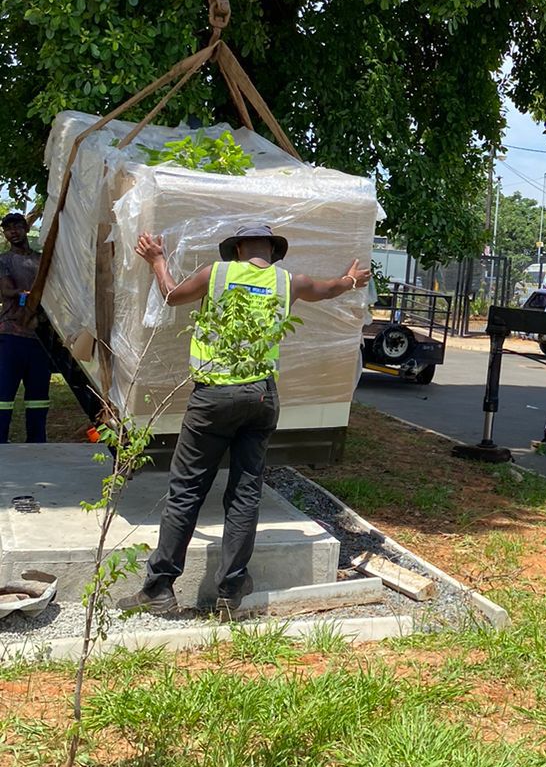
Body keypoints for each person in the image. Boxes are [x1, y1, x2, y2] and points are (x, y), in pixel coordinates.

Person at [119, 221, 369, 617]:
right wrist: (352, 280)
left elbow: (170, 295)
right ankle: (231, 592)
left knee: (187, 491)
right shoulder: (290, 282)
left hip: (213, 397)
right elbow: (329, 289)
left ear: (237, 249)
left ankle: (160, 588)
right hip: (261, 397)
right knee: (245, 493)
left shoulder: (215, 274)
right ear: (273, 251)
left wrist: (157, 260)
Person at [0, 211, 52, 444]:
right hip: (11, 334)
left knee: (38, 397)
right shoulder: (4, 260)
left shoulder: (42, 260)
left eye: (17, 226)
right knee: (4, 395)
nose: (13, 232)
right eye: (8, 228)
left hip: (39, 336)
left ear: (26, 228)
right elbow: (6, 290)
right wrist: (26, 295)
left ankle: (37, 443)